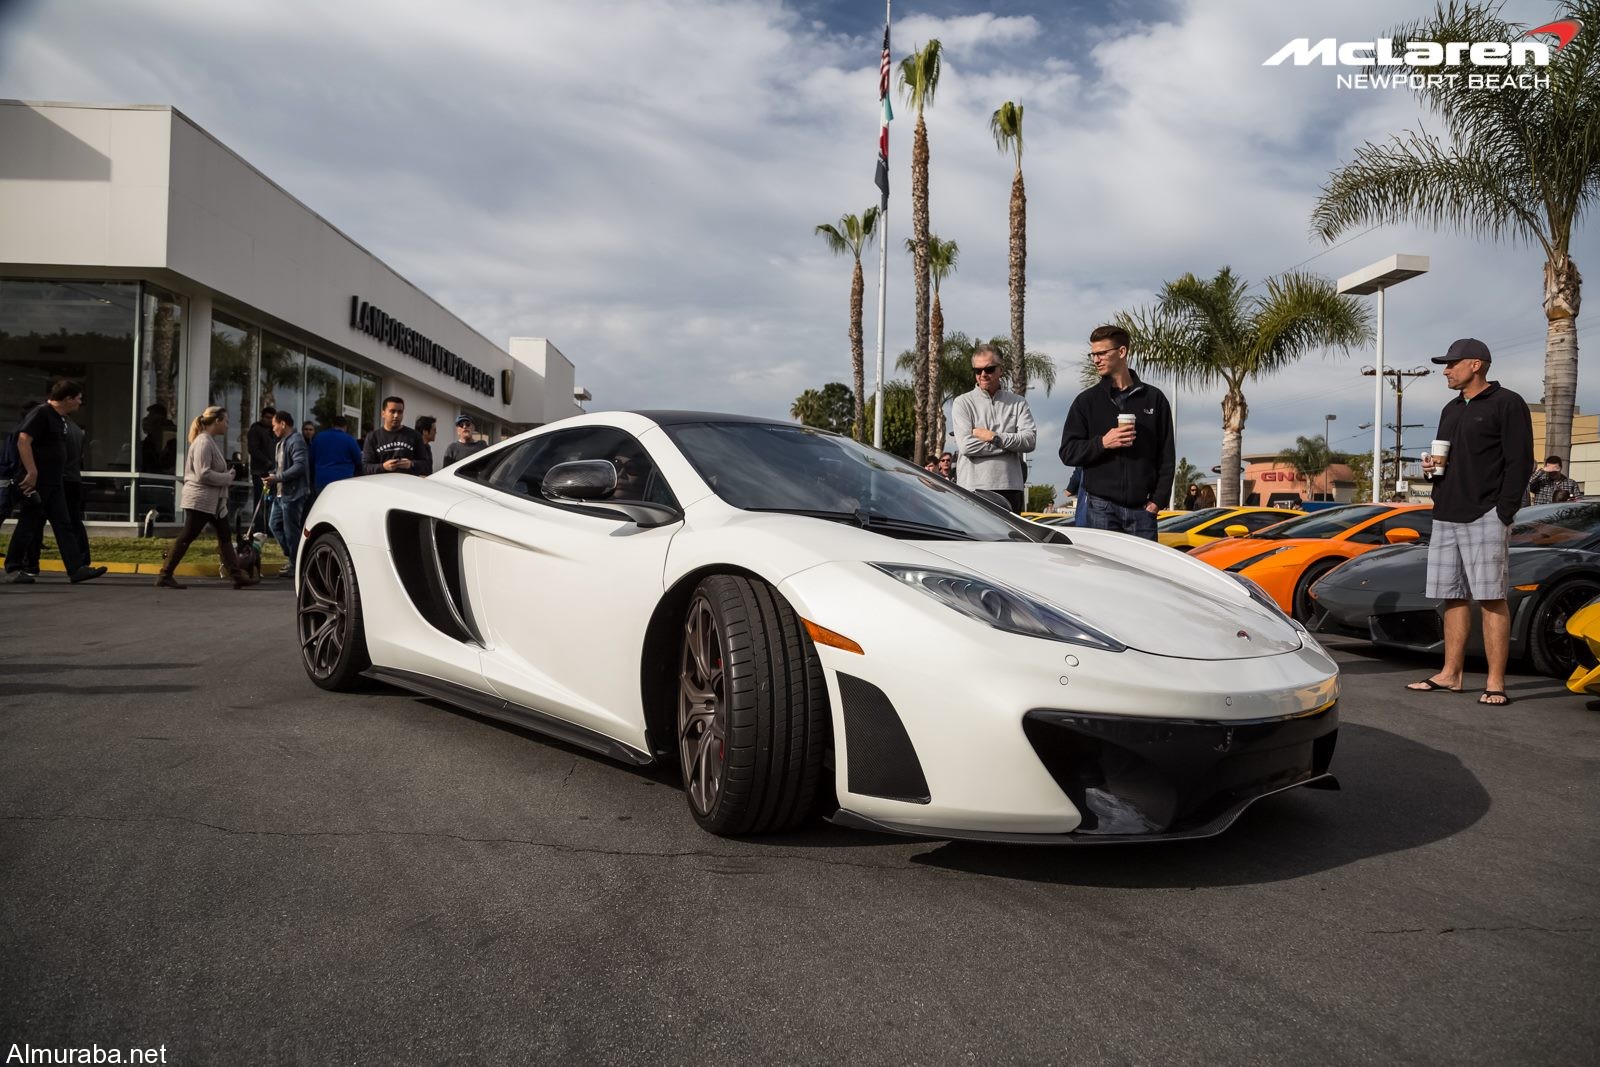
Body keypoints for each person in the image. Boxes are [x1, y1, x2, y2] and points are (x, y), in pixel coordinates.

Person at [1406, 338, 1533, 706]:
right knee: (1453, 597)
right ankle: (1451, 674)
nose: (1445, 370)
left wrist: (1503, 511)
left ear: (1475, 364)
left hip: (1486, 514)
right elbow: (1449, 460)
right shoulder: (1450, 409)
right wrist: (1432, 473)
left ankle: (1495, 682)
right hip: (1446, 513)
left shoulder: (1507, 403)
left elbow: (1520, 461)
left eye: (1452, 364)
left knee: (1491, 598)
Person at [1058, 325, 1175, 540]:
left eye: (1102, 353)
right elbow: (1068, 452)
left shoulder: (1154, 399)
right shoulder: (1086, 401)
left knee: (1142, 564)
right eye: (1093, 354)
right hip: (1100, 509)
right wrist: (1103, 443)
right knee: (1102, 564)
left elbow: (1166, 456)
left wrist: (1158, 500)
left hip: (1143, 511)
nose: (1096, 360)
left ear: (1122, 352)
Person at [3, 380, 105, 584]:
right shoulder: (42, 413)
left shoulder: (60, 418)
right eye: (78, 398)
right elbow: (23, 440)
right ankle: (14, 568)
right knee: (28, 524)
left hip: (55, 482)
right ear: (67, 398)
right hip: (39, 482)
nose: (80, 402)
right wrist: (32, 471)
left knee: (63, 524)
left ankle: (76, 569)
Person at [155, 406, 258, 590]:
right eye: (226, 421)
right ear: (217, 421)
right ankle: (165, 574)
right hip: (200, 500)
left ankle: (236, 576)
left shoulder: (209, 441)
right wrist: (227, 478)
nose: (227, 425)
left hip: (214, 502)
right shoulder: (203, 442)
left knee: (225, 537)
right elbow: (203, 474)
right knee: (187, 536)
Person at [951, 343, 1036, 513]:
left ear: (1001, 370)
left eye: (989, 369)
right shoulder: (962, 402)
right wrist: (1009, 445)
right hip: (972, 488)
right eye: (978, 370)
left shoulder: (1018, 402)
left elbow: (1029, 441)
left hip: (1010, 487)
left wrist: (993, 437)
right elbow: (966, 446)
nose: (983, 374)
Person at [264, 409, 311, 577]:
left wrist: (278, 477)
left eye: (274, 425)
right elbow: (282, 467)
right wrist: (273, 475)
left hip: (294, 493)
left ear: (283, 424)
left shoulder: (296, 440)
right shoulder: (282, 442)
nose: (273, 429)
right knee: (274, 525)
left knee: (291, 530)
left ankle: (296, 563)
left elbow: (300, 466)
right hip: (281, 493)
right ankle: (294, 556)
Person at [362, 397, 429, 475]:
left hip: (407, 482)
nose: (396, 415)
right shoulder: (372, 437)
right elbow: (365, 467)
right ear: (383, 414)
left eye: (400, 412)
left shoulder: (414, 436)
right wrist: (383, 467)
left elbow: (426, 464)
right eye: (392, 411)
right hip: (382, 482)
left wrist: (411, 464)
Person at [310, 415, 363, 497]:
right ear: (345, 427)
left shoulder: (319, 437)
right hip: (343, 481)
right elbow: (358, 460)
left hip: (322, 481)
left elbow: (311, 459)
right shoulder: (350, 440)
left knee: (323, 504)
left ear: (332, 425)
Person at [246, 406, 277, 529]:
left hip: (270, 472)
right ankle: (259, 527)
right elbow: (252, 449)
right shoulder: (256, 430)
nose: (269, 420)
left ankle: (267, 527)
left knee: (269, 501)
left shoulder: (273, 432)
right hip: (260, 472)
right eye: (267, 417)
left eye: (271, 418)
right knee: (260, 501)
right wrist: (267, 461)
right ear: (262, 417)